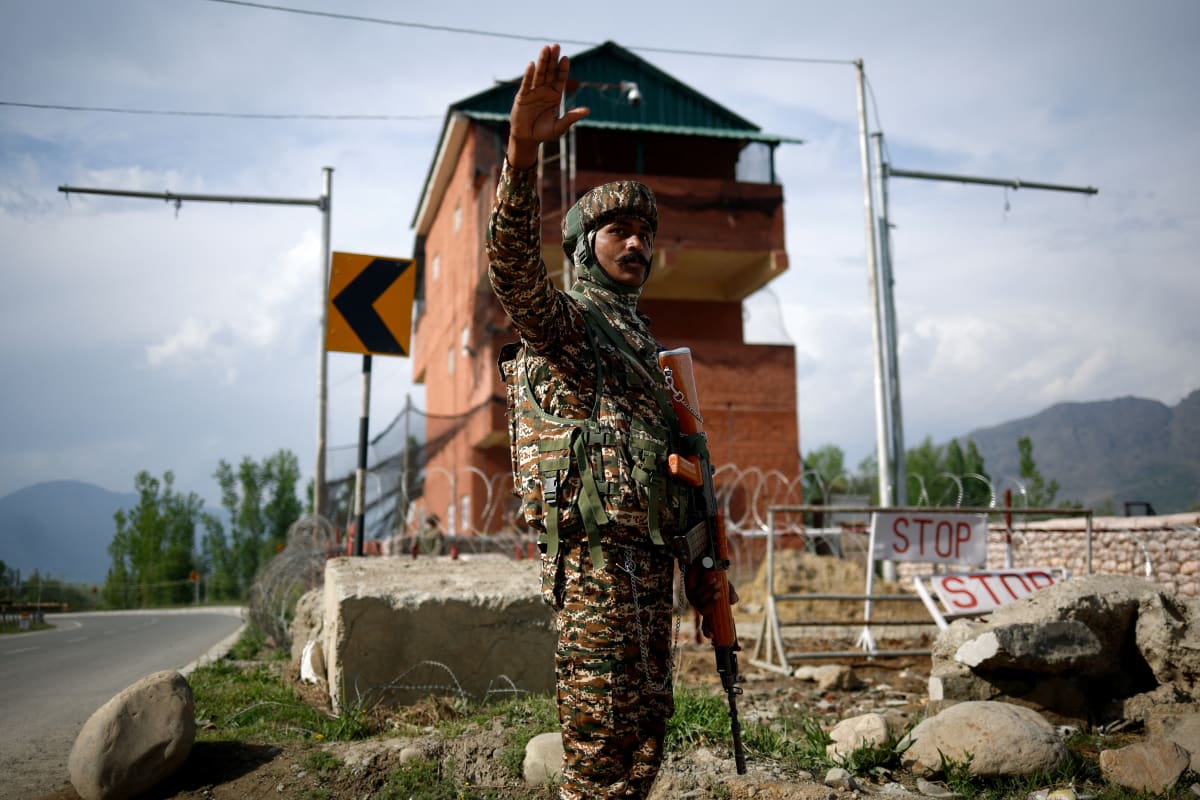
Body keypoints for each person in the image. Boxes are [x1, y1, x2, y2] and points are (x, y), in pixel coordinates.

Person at [486, 44, 731, 800]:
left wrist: (702, 565)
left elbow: (676, 467)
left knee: (647, 733)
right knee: (597, 745)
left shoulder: (643, 344)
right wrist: (522, 156)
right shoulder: (570, 324)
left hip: (650, 563)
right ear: (584, 247)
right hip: (596, 565)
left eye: (643, 231)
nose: (635, 242)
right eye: (616, 229)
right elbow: (514, 272)